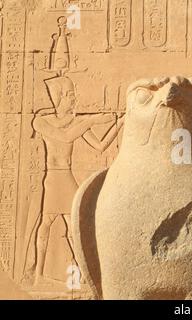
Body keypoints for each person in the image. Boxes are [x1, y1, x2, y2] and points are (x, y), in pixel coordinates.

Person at [32, 76, 124, 285]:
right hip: (53, 178)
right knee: (46, 223)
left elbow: (100, 146)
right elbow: (64, 136)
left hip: (66, 177)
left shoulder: (76, 122)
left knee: (73, 226)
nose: (74, 99)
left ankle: (83, 274)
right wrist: (91, 120)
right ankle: (37, 275)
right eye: (70, 95)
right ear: (59, 97)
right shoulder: (41, 120)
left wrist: (120, 122)